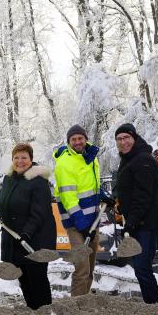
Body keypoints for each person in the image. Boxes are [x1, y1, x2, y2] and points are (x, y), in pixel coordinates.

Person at [0, 143, 56, 310]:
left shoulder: (38, 181)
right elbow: (4, 201)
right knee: (23, 278)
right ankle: (32, 312)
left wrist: (27, 233)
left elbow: (40, 211)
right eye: (16, 157)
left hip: (35, 240)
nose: (19, 161)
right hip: (16, 240)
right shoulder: (9, 178)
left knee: (37, 278)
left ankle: (45, 313)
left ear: (31, 159)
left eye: (24, 157)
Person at [114, 124, 158, 304]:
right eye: (119, 139)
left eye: (126, 138)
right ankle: (153, 305)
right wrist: (121, 206)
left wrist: (131, 222)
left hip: (146, 224)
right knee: (141, 267)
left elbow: (143, 196)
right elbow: (129, 190)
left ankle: (155, 307)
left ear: (134, 138)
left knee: (142, 267)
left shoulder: (143, 160)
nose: (123, 142)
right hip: (138, 223)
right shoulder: (129, 159)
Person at [53, 124, 102, 296]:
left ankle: (84, 302)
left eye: (80, 138)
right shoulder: (65, 163)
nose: (77, 142)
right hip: (75, 224)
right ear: (68, 142)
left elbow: (91, 186)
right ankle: (75, 308)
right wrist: (81, 222)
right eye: (73, 139)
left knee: (90, 266)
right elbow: (68, 197)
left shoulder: (91, 158)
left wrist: (102, 195)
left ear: (86, 139)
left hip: (93, 221)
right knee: (82, 267)